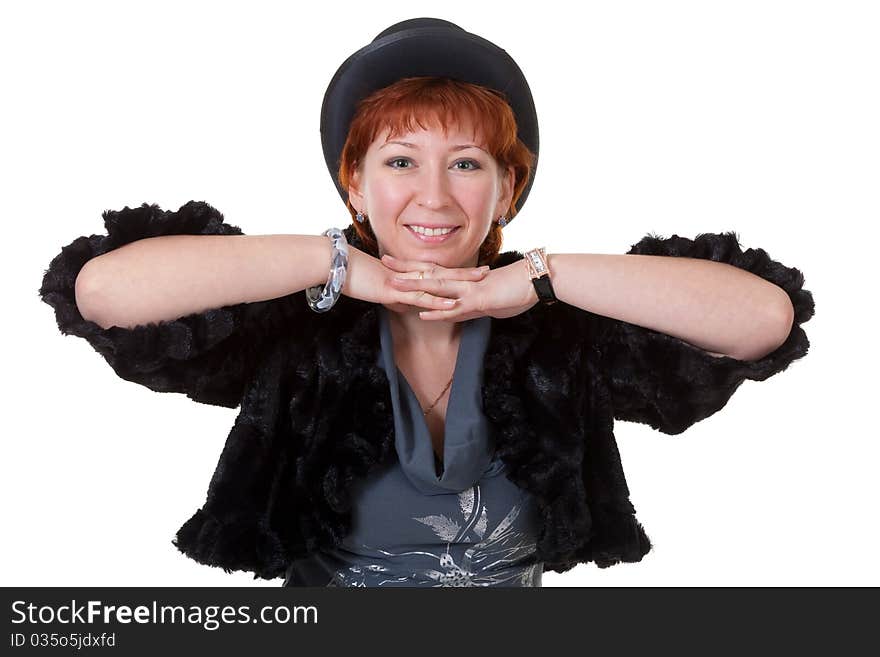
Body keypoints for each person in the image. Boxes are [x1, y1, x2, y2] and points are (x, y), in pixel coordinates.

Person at [38, 17, 815, 587]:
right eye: (401, 159)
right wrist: (334, 263)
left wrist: (538, 278)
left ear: (507, 187)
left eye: (468, 163)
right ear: (355, 184)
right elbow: (102, 293)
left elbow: (764, 319)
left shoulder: (558, 330)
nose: (434, 196)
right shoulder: (300, 321)